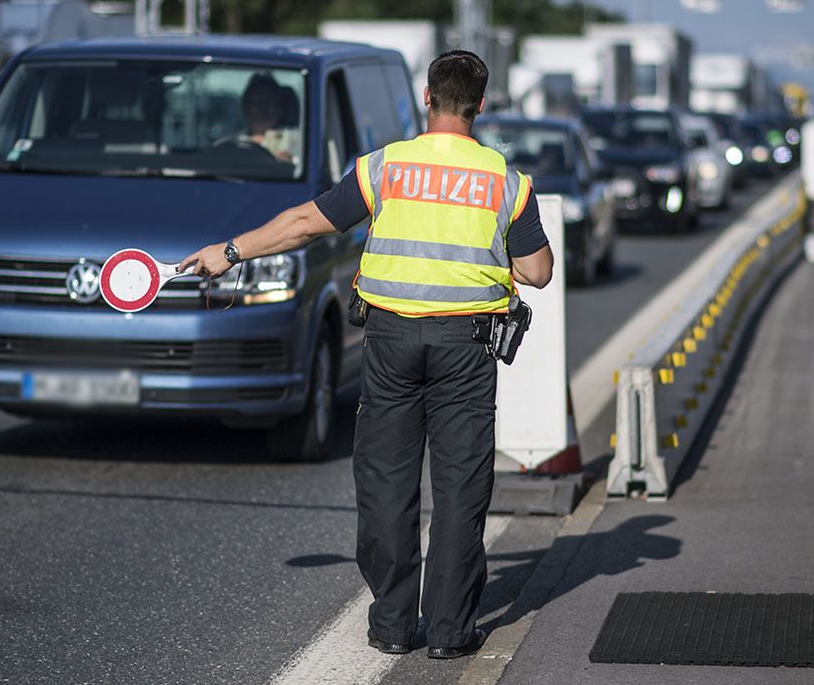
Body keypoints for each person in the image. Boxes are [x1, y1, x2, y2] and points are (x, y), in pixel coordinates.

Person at [180, 50, 554, 658]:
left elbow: (306, 222)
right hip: (466, 346)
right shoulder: (506, 182)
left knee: (386, 479)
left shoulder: (386, 169)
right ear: (480, 106)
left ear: (427, 97)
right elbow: (537, 271)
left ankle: (391, 625)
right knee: (460, 487)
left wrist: (230, 250)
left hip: (389, 342)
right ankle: (450, 632)